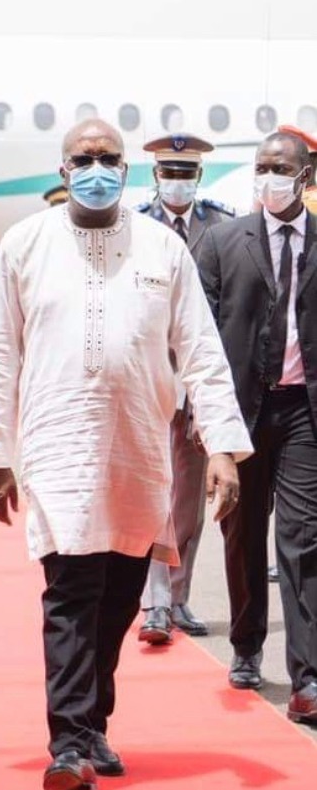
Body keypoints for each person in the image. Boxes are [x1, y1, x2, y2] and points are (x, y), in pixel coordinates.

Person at [0, 119, 251, 789]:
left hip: (138, 449)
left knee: (119, 597)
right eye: (83, 157)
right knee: (71, 592)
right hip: (58, 444)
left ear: (125, 170)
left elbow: (201, 349)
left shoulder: (161, 247)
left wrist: (221, 445)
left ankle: (92, 721)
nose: (96, 168)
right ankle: (68, 742)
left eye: (107, 158)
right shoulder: (25, 243)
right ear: (63, 168)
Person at [197, 131, 317, 722]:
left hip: (303, 413)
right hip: (240, 412)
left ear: (305, 177)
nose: (269, 176)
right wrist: (204, 416)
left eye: (280, 168)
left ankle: (308, 678)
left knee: (304, 539)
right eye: (261, 166)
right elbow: (197, 333)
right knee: (242, 534)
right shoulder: (222, 242)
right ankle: (246, 646)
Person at [134, 134, 236, 645]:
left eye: (186, 174)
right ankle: (153, 603)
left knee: (190, 497)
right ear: (155, 177)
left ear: (199, 177)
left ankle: (178, 597)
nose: (177, 182)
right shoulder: (134, 226)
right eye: (169, 174)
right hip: (150, 377)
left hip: (197, 378)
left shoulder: (221, 226)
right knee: (154, 491)